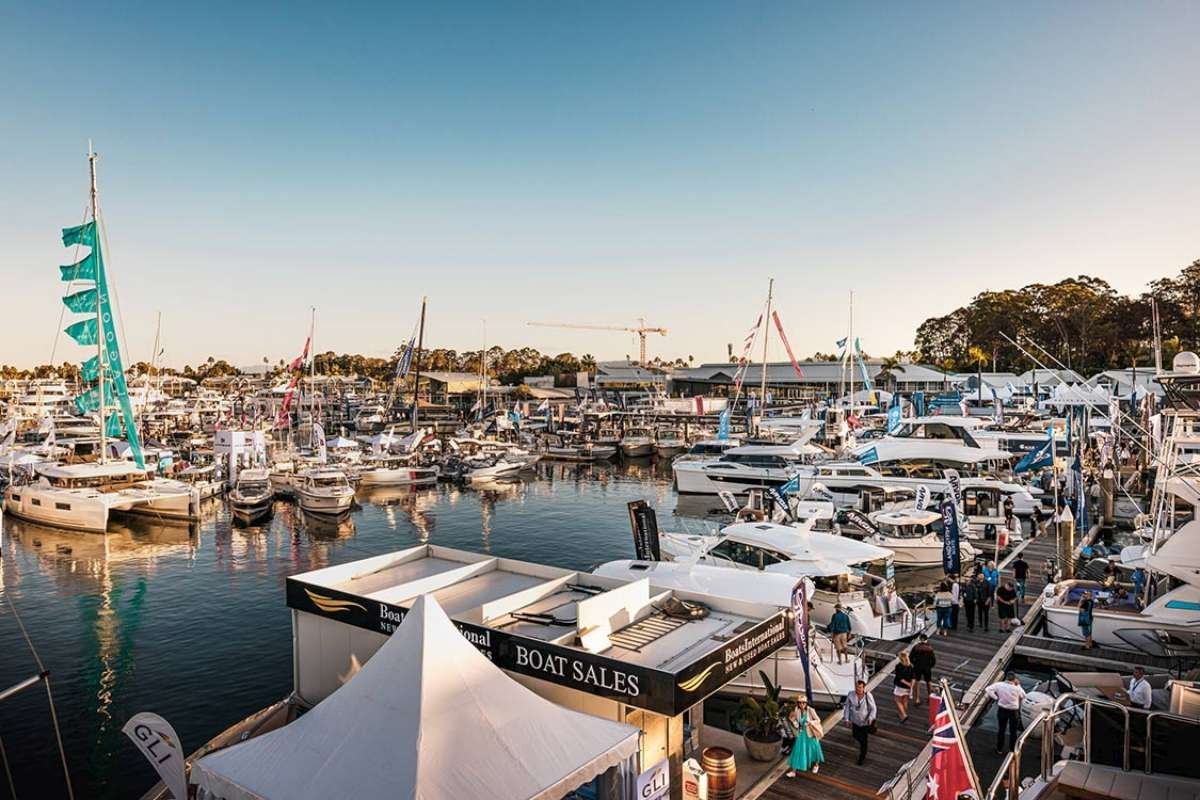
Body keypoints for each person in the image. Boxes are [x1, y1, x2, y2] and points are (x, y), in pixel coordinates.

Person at [985, 672, 1027, 754]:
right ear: (1014, 679)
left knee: (1001, 729)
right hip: (1013, 711)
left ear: (1006, 677)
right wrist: (1018, 685)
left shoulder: (999, 685)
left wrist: (996, 698)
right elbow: (1024, 696)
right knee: (1013, 732)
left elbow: (988, 689)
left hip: (1002, 709)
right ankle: (1012, 750)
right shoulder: (1017, 688)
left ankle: (999, 749)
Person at [785, 696, 825, 777]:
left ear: (806, 703)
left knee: (814, 748)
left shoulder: (810, 710)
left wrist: (810, 722)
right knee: (798, 750)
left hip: (810, 732)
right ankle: (793, 771)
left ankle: (816, 765)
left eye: (803, 702)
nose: (801, 704)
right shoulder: (797, 710)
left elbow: (818, 720)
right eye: (800, 702)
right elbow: (796, 722)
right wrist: (792, 720)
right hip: (802, 733)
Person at [844, 680, 877, 765]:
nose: (858, 689)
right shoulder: (851, 694)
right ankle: (863, 747)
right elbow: (847, 706)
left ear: (863, 687)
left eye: (860, 687)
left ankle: (862, 756)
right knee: (855, 735)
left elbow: (873, 708)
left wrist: (871, 718)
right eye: (857, 687)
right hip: (855, 720)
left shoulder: (868, 695)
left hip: (865, 722)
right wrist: (846, 719)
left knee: (864, 741)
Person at [910, 634, 936, 705]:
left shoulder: (916, 647)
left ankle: (917, 699)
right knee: (929, 682)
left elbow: (911, 657)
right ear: (926, 640)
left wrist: (914, 663)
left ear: (920, 639)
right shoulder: (929, 648)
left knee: (917, 682)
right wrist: (930, 666)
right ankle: (930, 697)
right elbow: (933, 660)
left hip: (917, 666)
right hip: (927, 667)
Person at [893, 651, 914, 722]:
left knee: (897, 700)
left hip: (900, 686)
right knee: (905, 700)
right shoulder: (911, 666)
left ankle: (904, 714)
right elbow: (913, 678)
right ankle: (901, 714)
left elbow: (900, 679)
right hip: (908, 688)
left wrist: (908, 684)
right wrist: (911, 686)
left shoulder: (898, 666)